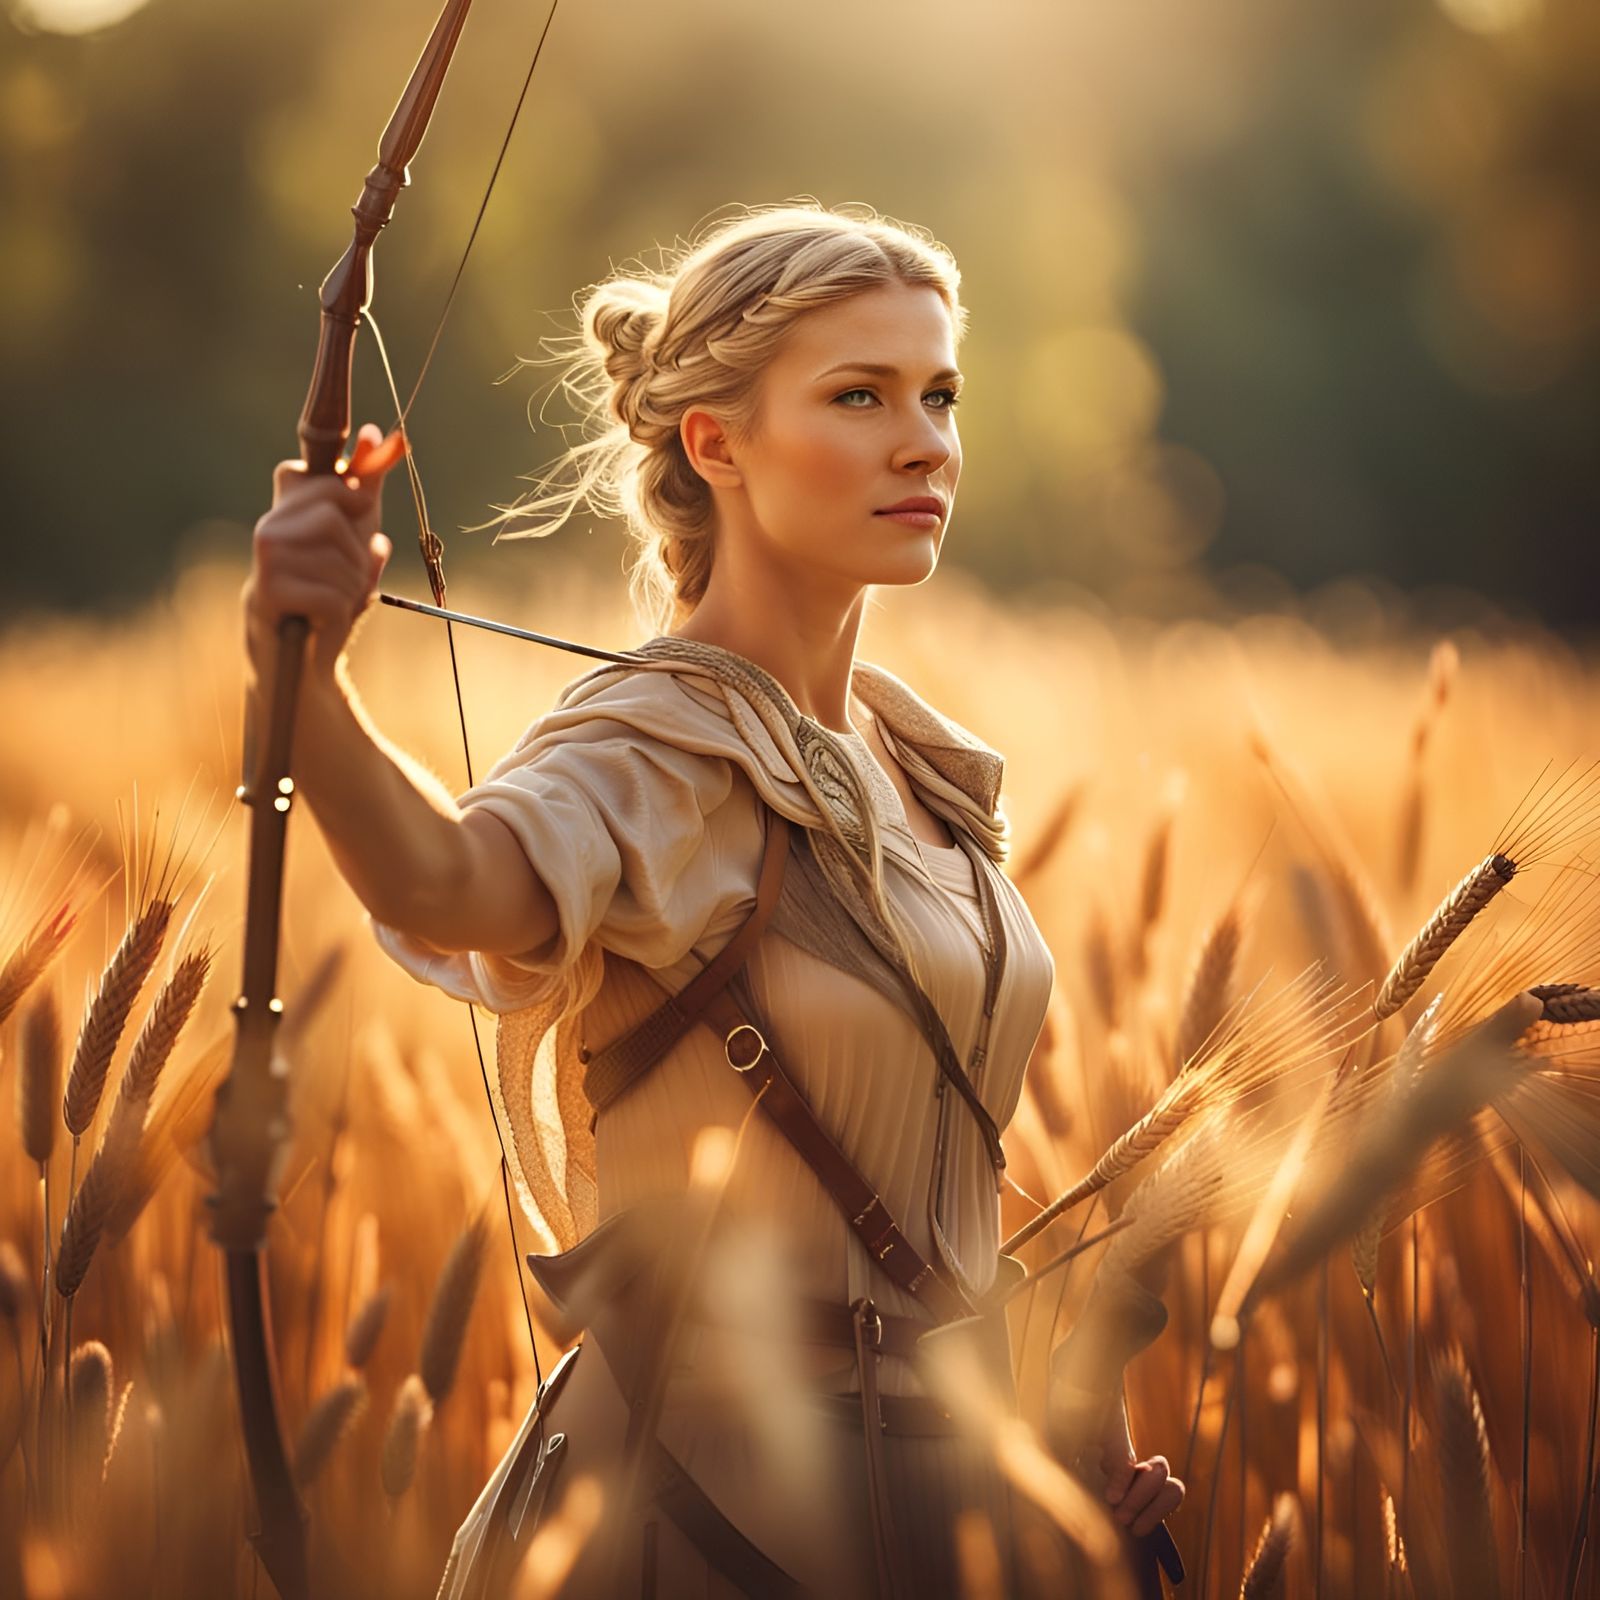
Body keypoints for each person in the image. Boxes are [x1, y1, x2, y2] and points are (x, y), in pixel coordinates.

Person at [243, 201, 1185, 1598]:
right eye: (859, 396)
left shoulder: (913, 766)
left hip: (939, 1498)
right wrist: (301, 677)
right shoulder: (655, 753)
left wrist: (1056, 1384)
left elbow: (923, 1141)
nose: (924, 441)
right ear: (715, 443)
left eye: (939, 395)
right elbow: (443, 885)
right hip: (704, 1511)